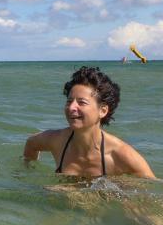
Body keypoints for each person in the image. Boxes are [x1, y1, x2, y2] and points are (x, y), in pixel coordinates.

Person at [23, 66, 154, 178]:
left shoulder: (120, 154)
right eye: (69, 101)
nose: (71, 107)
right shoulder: (57, 140)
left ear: (102, 111)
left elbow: (155, 186)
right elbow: (31, 143)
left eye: (82, 102)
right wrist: (29, 171)